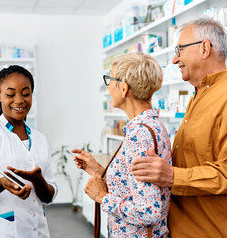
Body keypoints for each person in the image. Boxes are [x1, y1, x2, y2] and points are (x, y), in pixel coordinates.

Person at [131, 18, 227, 237]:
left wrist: (173, 177)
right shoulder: (199, 96)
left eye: (180, 50)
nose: (175, 59)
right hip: (185, 228)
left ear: (204, 48)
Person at [73, 53, 172, 237]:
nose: (108, 85)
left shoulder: (140, 136)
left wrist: (102, 197)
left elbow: (148, 211)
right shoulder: (151, 126)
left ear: (124, 88)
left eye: (109, 79)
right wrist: (98, 170)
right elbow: (133, 187)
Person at [0, 65, 57, 238]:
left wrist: (39, 181)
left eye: (25, 93)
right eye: (10, 94)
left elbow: (49, 196)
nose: (19, 100)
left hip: (38, 231)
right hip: (0, 232)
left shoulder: (40, 139)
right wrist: (1, 184)